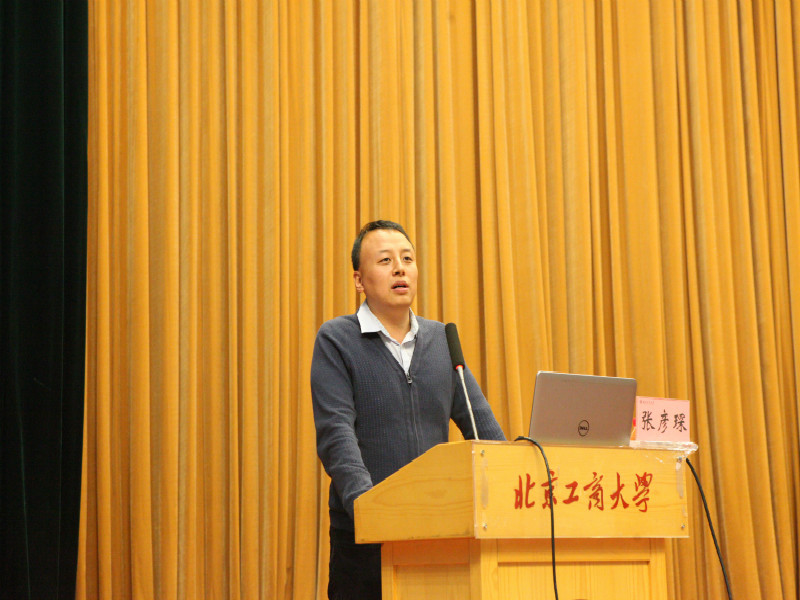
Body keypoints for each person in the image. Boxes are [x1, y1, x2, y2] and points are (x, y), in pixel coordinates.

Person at [310, 220, 506, 600]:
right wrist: (369, 509)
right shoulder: (337, 339)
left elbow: (483, 429)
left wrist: (511, 479)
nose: (400, 268)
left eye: (407, 259)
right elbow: (336, 435)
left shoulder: (442, 340)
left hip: (439, 535)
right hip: (365, 540)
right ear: (359, 280)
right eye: (385, 260)